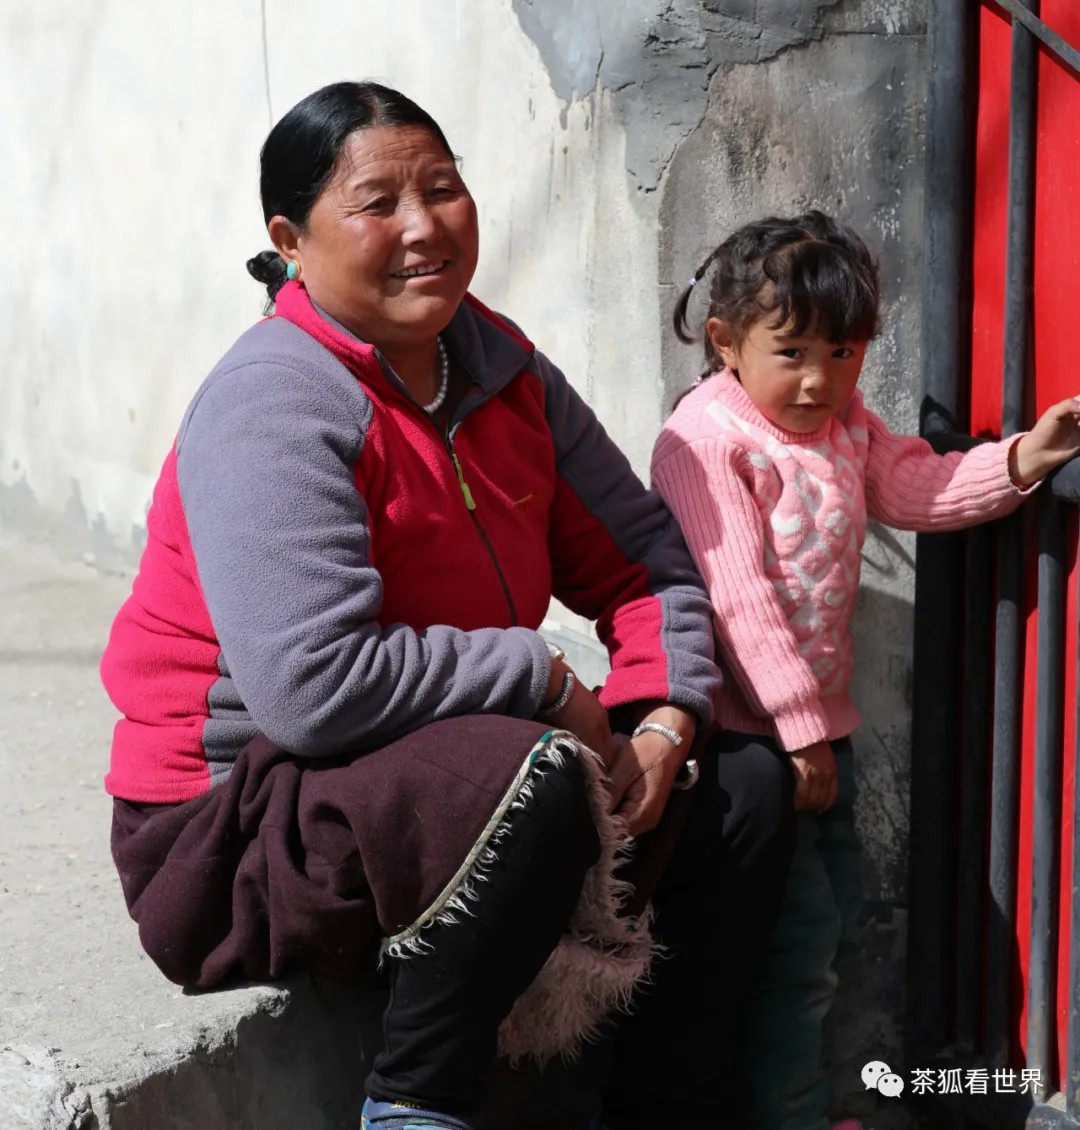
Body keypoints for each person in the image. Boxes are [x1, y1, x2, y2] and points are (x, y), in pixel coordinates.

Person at [101, 81, 796, 1130]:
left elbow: (644, 560)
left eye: (442, 188)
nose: (424, 226)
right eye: (377, 203)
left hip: (441, 779)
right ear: (291, 242)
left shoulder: (499, 367)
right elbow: (312, 688)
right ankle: (415, 1105)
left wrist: (663, 717)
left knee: (740, 783)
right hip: (236, 828)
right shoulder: (275, 399)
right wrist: (542, 676)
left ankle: (663, 1108)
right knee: (534, 766)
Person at [650, 210, 1080, 1130]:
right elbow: (738, 601)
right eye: (792, 352)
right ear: (725, 341)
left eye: (842, 353)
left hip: (815, 744)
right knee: (795, 948)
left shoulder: (845, 425)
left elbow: (916, 485)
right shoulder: (707, 441)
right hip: (745, 751)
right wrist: (801, 734)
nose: (819, 380)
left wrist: (1026, 458)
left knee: (827, 930)